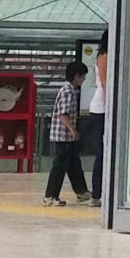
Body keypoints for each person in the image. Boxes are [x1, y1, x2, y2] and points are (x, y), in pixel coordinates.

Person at [42, 59, 90, 207]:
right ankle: (50, 195)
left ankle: (82, 191)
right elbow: (63, 114)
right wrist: (73, 130)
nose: (84, 80)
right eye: (83, 77)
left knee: (74, 164)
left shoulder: (70, 90)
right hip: (62, 136)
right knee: (59, 166)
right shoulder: (68, 92)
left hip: (67, 137)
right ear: (76, 76)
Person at [83, 38, 109, 210]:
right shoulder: (105, 57)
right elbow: (107, 85)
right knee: (102, 152)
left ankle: (98, 193)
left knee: (103, 152)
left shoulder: (101, 56)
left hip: (99, 107)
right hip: (102, 108)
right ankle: (97, 193)